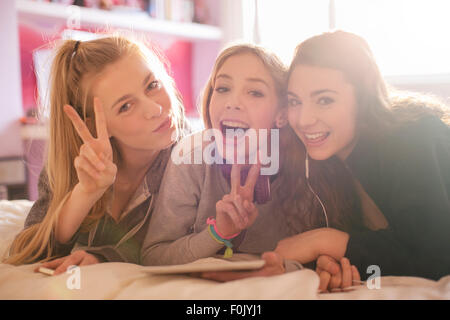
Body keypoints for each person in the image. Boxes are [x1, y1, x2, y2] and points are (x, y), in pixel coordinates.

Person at [141, 43, 362, 273]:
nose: (232, 102)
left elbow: (321, 252)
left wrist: (325, 263)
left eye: (255, 92)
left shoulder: (307, 167)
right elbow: (153, 257)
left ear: (282, 115)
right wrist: (218, 233)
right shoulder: (191, 158)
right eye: (223, 88)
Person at [3, 35, 188, 274]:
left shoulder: (192, 157)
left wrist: (106, 257)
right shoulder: (77, 163)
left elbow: (180, 243)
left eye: (152, 85)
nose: (156, 109)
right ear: (93, 126)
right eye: (125, 106)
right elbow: (28, 252)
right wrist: (85, 193)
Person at [281, 30, 450, 289]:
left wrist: (325, 241)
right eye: (295, 101)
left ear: (364, 98)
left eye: (324, 100)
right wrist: (336, 263)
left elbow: (437, 259)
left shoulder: (415, 139)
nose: (303, 119)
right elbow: (392, 253)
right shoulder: (326, 161)